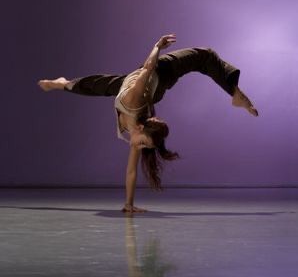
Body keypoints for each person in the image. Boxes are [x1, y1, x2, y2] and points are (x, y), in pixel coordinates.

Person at [38, 34, 258, 213]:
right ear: (141, 128)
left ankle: (62, 84)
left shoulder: (136, 132)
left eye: (142, 146)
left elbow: (131, 171)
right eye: (144, 143)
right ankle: (236, 94)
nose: (139, 147)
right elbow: (147, 69)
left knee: (99, 86)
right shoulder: (135, 102)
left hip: (129, 84)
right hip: (158, 74)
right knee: (205, 56)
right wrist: (157, 46)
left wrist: (128, 204)